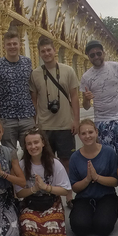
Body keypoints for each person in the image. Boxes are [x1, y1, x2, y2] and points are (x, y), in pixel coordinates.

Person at [30, 36, 81, 173]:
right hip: (45, 126)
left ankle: (69, 191)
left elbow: (74, 96)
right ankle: (53, 193)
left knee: (67, 161)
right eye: (43, 51)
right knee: (47, 161)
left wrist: (76, 120)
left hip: (65, 125)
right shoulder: (35, 74)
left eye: (48, 50)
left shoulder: (68, 70)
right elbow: (34, 100)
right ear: (39, 53)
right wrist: (34, 123)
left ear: (54, 50)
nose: (46, 54)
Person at [16, 129, 71, 236]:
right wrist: (34, 189)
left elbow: (65, 190)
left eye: (36, 142)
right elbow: (19, 193)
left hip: (51, 202)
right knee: (26, 227)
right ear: (25, 146)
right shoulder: (22, 165)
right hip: (31, 202)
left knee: (53, 227)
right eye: (29, 144)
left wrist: (45, 187)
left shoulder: (55, 163)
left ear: (43, 143)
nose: (33, 146)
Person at [68, 118, 118, 236]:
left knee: (103, 228)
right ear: (79, 136)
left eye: (90, 132)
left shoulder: (109, 152)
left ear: (96, 132)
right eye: (83, 133)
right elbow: (75, 187)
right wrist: (87, 179)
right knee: (79, 228)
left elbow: (115, 181)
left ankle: (104, 215)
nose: (88, 136)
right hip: (84, 197)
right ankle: (89, 216)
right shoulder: (75, 158)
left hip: (106, 196)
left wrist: (96, 177)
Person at [80, 39, 118, 154]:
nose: (96, 57)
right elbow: (86, 107)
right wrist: (86, 99)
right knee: (108, 155)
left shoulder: (115, 67)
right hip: (102, 122)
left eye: (99, 53)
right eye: (92, 55)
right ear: (88, 57)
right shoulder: (86, 77)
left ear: (103, 53)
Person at [0, 29, 35, 151]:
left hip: (27, 116)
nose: (12, 47)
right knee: (9, 154)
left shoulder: (27, 63)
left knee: (31, 151)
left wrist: (36, 114)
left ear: (20, 45)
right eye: (9, 44)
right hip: (6, 117)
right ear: (4, 46)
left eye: (15, 43)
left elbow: (33, 89)